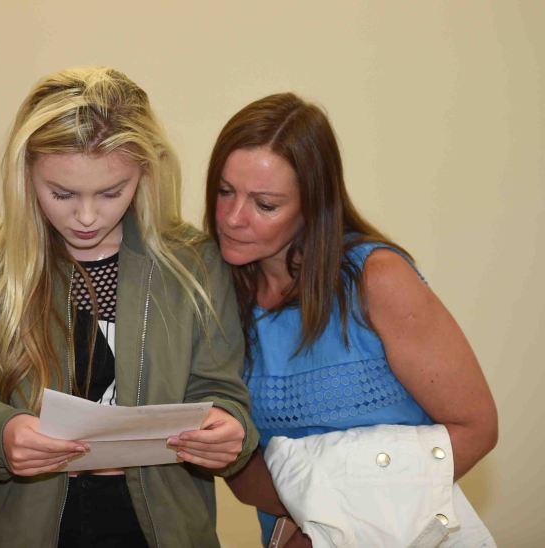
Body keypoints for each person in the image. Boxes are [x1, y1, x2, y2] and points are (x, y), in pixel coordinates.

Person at [0, 66, 259, 547]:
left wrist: (229, 429)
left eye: (110, 192)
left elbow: (223, 394)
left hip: (164, 529)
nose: (85, 216)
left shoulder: (194, 263)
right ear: (25, 172)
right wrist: (2, 434)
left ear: (145, 170)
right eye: (61, 193)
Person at [204, 93, 498, 545]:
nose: (233, 218)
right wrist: (312, 527)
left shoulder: (376, 279)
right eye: (225, 192)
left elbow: (476, 427)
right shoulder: (214, 293)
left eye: (265, 205)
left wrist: (345, 525)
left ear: (312, 208)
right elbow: (238, 462)